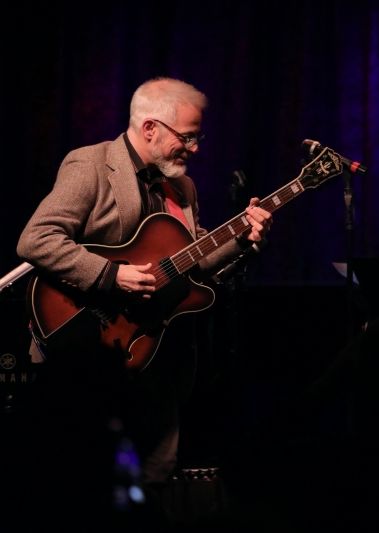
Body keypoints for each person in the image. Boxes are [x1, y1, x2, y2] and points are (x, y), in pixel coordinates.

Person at [14, 77, 271, 527]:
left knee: (154, 484)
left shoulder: (183, 188)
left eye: (198, 137)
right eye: (186, 136)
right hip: (89, 349)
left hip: (158, 356)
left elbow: (194, 271)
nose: (194, 148)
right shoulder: (91, 165)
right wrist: (112, 276)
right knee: (80, 485)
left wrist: (241, 241)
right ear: (151, 127)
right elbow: (36, 240)